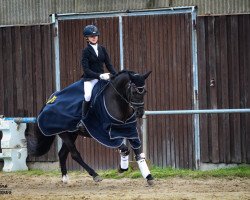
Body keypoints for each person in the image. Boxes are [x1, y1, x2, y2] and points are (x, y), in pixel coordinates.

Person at [81, 25, 117, 118]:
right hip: (90, 79)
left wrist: (116, 75)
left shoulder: (102, 49)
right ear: (87, 38)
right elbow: (86, 70)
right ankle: (84, 119)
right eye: (91, 36)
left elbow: (108, 65)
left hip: (103, 78)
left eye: (95, 36)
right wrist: (99, 76)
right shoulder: (86, 51)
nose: (94, 38)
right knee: (88, 96)